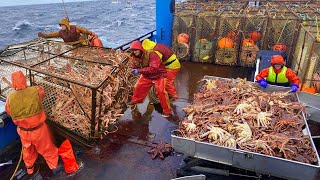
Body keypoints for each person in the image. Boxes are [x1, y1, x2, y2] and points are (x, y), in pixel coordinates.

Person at [5, 71, 60, 175]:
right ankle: (54, 166)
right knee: (47, 149)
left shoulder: (10, 98)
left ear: (13, 83)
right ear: (24, 80)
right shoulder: (35, 90)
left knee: (28, 151)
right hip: (39, 130)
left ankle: (30, 169)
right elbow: (42, 94)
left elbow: (8, 111)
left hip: (24, 132)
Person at [129, 40, 171, 117]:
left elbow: (154, 68)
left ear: (140, 49)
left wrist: (138, 71)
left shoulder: (152, 54)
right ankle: (135, 100)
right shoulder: (134, 57)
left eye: (136, 50)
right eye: (133, 51)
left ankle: (167, 111)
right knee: (138, 87)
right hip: (147, 76)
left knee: (161, 92)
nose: (135, 52)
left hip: (159, 75)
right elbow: (134, 66)